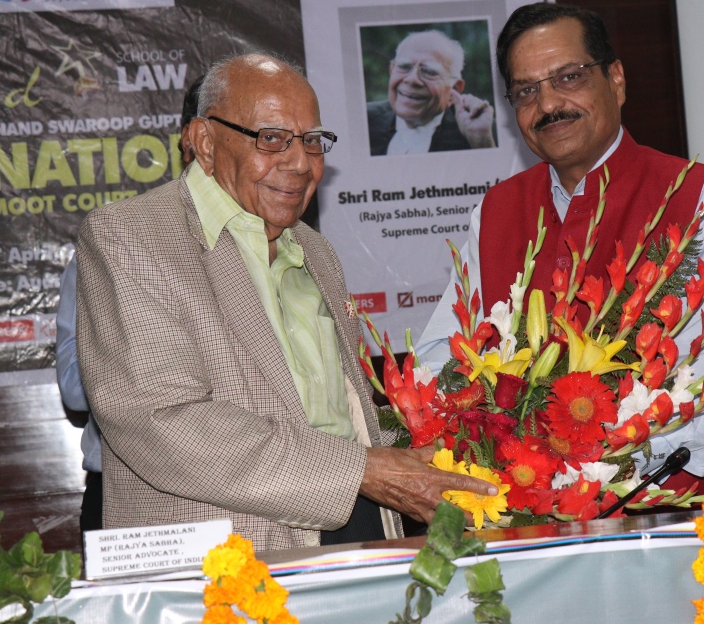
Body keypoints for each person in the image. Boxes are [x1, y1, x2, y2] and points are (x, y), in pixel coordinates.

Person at [75, 53, 496, 550]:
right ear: (205, 143)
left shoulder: (314, 249)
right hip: (226, 561)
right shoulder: (132, 236)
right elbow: (163, 421)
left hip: (359, 528)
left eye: (312, 141)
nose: (300, 163)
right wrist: (362, 471)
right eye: (271, 139)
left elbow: (339, 413)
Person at [417, 3, 704, 494]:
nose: (548, 105)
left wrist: (573, 453)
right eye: (527, 90)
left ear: (616, 80)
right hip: (515, 504)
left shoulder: (695, 195)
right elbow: (441, 355)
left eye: (568, 77)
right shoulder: (498, 210)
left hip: (646, 502)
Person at [57, 75, 203, 534]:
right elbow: (75, 391)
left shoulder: (293, 250)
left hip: (260, 495)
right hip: (131, 500)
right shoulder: (116, 244)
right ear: (195, 141)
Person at [368, 29, 496, 155]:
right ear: (392, 70)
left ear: (455, 88)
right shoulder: (365, 121)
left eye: (429, 72)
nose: (412, 79)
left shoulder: (485, 133)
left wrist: (482, 144)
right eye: (404, 67)